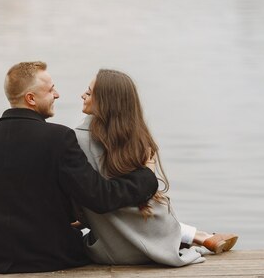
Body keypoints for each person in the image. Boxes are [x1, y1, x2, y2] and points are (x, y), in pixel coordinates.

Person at [0, 61, 159, 274]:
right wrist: (146, 176)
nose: (56, 94)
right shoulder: (59, 138)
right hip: (49, 256)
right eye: (50, 90)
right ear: (31, 98)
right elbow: (101, 197)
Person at [74, 69, 238, 267]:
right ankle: (199, 236)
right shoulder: (135, 138)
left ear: (104, 102)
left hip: (110, 250)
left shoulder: (75, 141)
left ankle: (199, 236)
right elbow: (140, 193)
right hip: (155, 241)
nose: (82, 95)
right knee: (143, 207)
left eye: (89, 93)